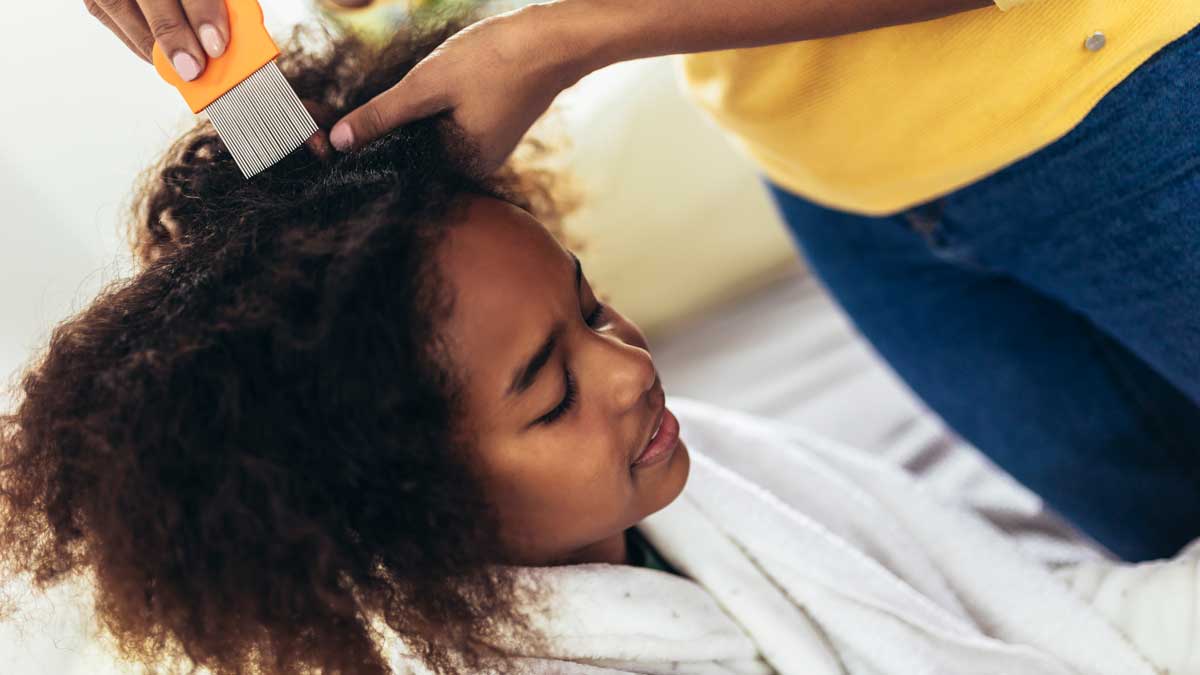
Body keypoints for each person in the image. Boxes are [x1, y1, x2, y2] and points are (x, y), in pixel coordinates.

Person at [5, 15, 1200, 675]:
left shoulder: (709, 484)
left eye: (590, 312)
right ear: (412, 503)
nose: (632, 367)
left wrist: (554, 42)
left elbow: (1047, 624)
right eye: (547, 389)